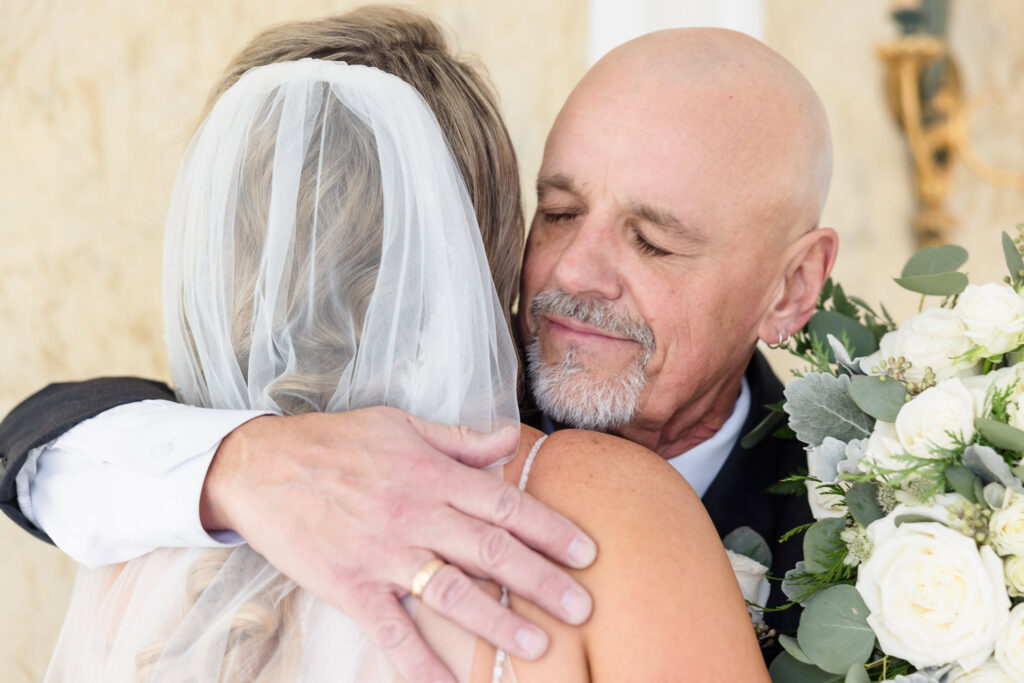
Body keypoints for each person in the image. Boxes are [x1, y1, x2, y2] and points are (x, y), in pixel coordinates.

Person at [0, 11, 837, 679]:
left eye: (654, 241)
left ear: (794, 288)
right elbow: (38, 439)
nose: (573, 271)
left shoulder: (886, 527)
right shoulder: (258, 453)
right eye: (557, 212)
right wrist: (242, 464)